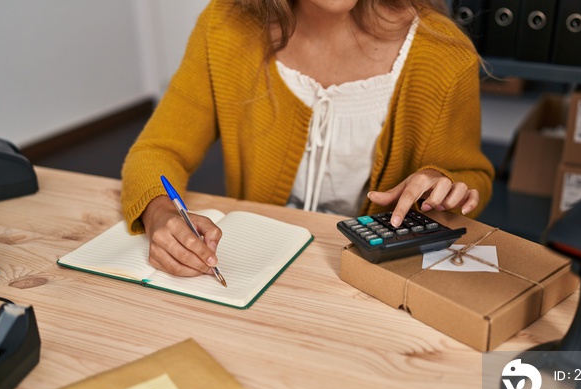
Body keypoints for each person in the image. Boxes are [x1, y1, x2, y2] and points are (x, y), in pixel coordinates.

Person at [121, 0, 494, 277]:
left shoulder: (445, 52)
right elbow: (158, 149)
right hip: (250, 268)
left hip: (373, 279)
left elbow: (469, 178)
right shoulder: (224, 25)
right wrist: (160, 214)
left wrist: (442, 186)